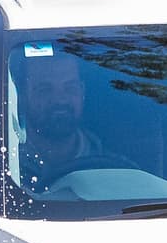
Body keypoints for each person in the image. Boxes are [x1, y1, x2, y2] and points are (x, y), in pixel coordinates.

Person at [14, 51, 119, 190]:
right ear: (22, 97)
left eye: (70, 88)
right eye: (44, 90)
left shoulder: (116, 171)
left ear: (82, 92)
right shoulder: (7, 167)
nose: (60, 99)